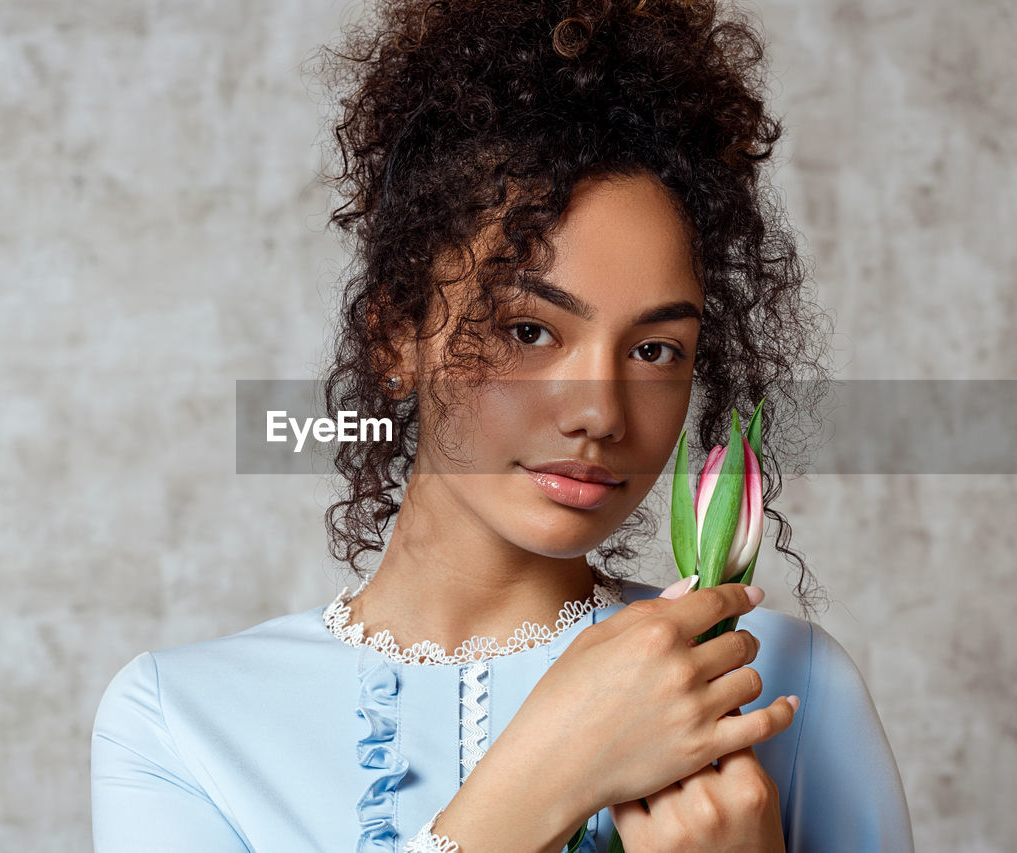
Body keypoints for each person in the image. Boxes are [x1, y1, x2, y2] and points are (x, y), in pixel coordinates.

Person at [90, 1, 913, 850]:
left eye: (658, 349)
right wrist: (550, 768)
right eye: (529, 330)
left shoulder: (783, 683)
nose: (599, 411)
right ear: (394, 336)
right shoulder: (179, 722)